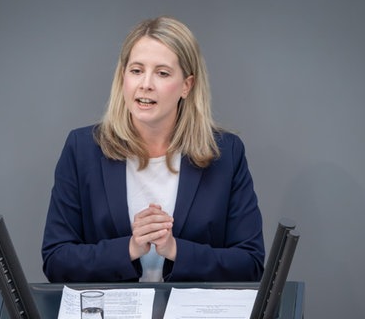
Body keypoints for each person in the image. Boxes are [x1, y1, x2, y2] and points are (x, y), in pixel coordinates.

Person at [42, 16, 264, 283]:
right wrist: (131, 247)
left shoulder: (226, 153)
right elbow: (57, 261)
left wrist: (175, 249)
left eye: (162, 73)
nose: (145, 84)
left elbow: (250, 264)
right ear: (122, 76)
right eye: (136, 70)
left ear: (187, 85)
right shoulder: (82, 149)